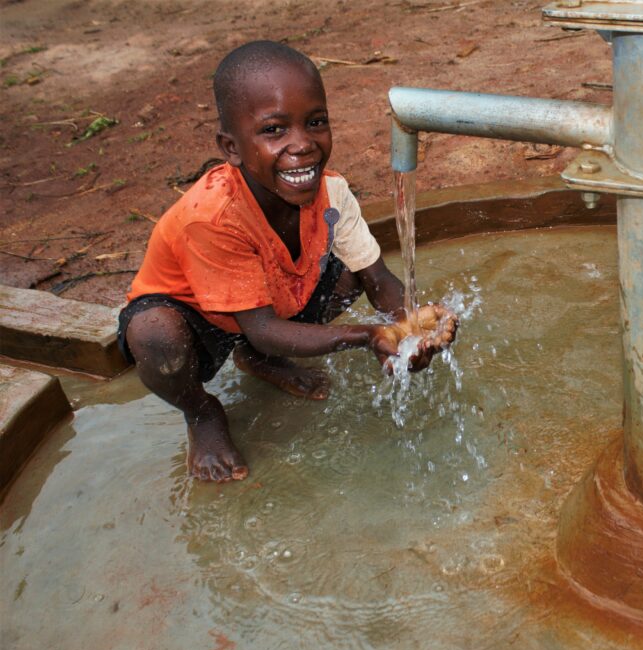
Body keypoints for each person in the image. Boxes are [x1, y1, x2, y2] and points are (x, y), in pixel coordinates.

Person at [118, 41, 456, 483]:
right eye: (274, 130)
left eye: (315, 122)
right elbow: (258, 325)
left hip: (270, 297)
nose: (303, 145)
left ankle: (262, 361)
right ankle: (201, 413)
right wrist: (367, 336)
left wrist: (409, 329)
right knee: (155, 337)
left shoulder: (332, 194)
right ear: (231, 146)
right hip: (199, 318)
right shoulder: (212, 218)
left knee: (351, 270)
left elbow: (377, 277)